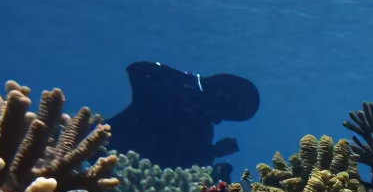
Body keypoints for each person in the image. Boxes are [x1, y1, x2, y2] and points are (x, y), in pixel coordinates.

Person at [107, 61, 259, 171]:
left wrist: (212, 153)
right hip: (103, 149)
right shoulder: (177, 86)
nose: (218, 120)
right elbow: (139, 70)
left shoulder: (201, 128)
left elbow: (185, 166)